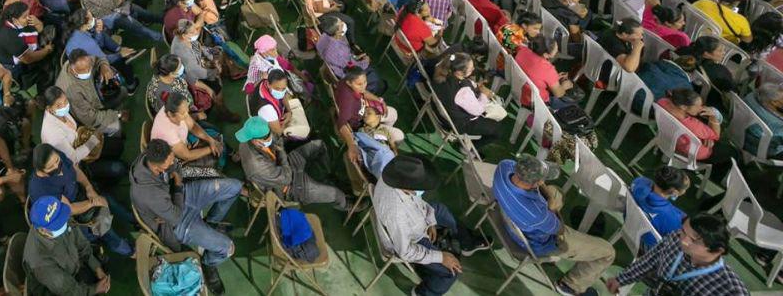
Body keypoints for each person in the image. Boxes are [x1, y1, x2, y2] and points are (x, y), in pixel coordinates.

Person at [492, 155, 616, 296]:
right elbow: (559, 229)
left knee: (556, 192)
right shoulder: (537, 214)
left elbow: (545, 193)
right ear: (535, 183)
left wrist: (549, 196)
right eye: (541, 180)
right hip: (538, 242)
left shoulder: (504, 166)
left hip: (508, 217)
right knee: (608, 253)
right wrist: (553, 209)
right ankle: (570, 286)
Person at [129, 138, 240, 294]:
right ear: (157, 166)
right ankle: (208, 263)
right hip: (176, 223)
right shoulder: (149, 193)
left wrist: (176, 177)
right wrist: (179, 185)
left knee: (235, 187)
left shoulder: (149, 157)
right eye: (169, 161)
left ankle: (211, 223)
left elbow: (175, 168)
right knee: (227, 248)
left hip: (176, 199)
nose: (173, 162)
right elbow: (176, 217)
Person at [372, 155, 489, 296]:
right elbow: (405, 251)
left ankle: (467, 243)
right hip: (411, 239)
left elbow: (417, 202)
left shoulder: (393, 176)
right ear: (408, 187)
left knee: (439, 209)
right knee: (451, 272)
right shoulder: (396, 212)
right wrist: (441, 257)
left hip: (414, 221)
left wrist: (430, 221)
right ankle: (423, 293)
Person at [27, 144, 133, 256]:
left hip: (79, 194)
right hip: (69, 217)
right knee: (104, 227)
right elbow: (69, 209)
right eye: (51, 167)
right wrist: (93, 202)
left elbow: (74, 169)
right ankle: (128, 250)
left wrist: (89, 188)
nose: (58, 167)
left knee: (109, 200)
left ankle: (133, 219)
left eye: (57, 161)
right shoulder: (41, 189)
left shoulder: (55, 156)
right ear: (41, 170)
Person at [605, 215, 749, 295]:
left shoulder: (732, 291)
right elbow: (651, 260)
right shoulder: (676, 238)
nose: (683, 241)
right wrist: (622, 279)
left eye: (693, 240)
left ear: (718, 250)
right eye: (683, 231)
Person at [235, 116, 347, 210]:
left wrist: (280, 149)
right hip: (288, 186)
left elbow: (276, 139)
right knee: (338, 195)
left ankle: (323, 176)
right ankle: (347, 206)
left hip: (283, 166)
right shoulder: (258, 166)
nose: (270, 136)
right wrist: (281, 151)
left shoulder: (249, 137)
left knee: (319, 145)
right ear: (255, 141)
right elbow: (287, 178)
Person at [23, 195, 112, 295]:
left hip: (72, 267)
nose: (65, 222)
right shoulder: (41, 263)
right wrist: (94, 289)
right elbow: (69, 291)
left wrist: (96, 268)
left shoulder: (60, 217)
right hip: (57, 289)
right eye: (58, 224)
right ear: (43, 230)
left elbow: (82, 244)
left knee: (103, 264)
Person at [629, 165, 689, 248]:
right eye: (684, 189)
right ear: (674, 192)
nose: (684, 191)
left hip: (629, 223)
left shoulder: (639, 181)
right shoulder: (671, 218)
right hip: (647, 244)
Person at [744, 82, 783, 159]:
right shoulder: (777, 124)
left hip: (742, 135)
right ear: (774, 102)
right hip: (760, 148)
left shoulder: (750, 97)